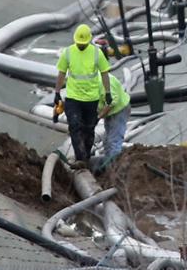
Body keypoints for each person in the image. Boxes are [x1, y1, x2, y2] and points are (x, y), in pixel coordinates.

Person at [55, 24, 111, 169]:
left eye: (83, 44)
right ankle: (80, 158)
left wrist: (108, 93)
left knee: (88, 129)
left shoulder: (96, 53)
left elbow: (105, 73)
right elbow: (61, 73)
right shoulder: (68, 53)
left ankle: (85, 158)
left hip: (91, 99)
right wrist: (57, 93)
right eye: (78, 43)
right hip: (73, 97)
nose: (80, 46)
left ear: (89, 41)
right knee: (74, 126)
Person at [96, 72, 131, 167]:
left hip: (119, 110)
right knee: (107, 141)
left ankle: (116, 169)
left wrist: (99, 117)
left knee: (114, 141)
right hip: (110, 111)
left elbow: (112, 101)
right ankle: (108, 165)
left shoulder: (102, 81)